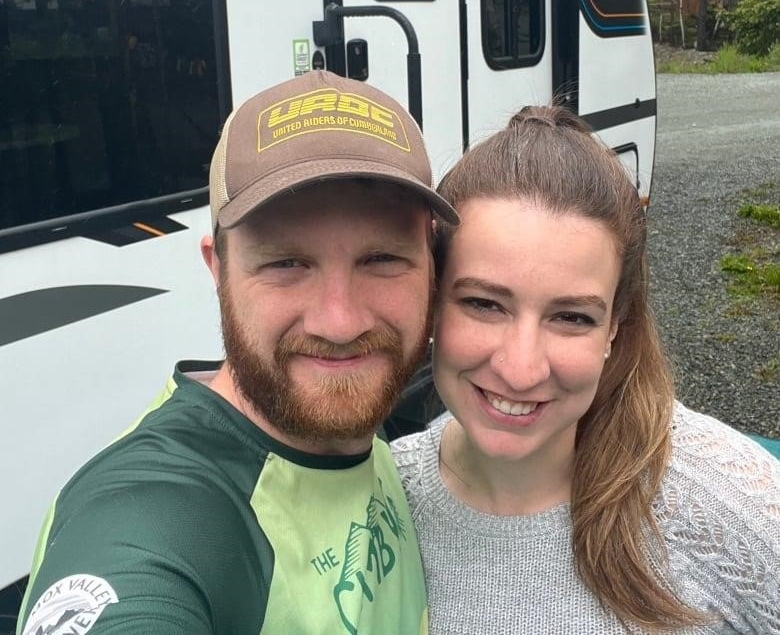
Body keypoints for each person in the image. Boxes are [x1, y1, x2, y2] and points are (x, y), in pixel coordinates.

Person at [15, 70, 459, 635]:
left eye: (382, 260)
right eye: (285, 264)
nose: (341, 322)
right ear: (217, 269)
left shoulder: (366, 431)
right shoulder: (159, 510)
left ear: (431, 266)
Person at [392, 105, 780, 634]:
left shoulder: (725, 502)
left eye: (571, 317)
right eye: (485, 304)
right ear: (434, 300)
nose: (522, 368)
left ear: (615, 325)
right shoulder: (384, 503)